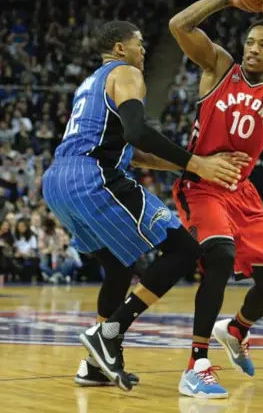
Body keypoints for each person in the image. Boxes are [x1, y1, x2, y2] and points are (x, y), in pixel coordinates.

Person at [42, 20, 247, 394]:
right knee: (185, 250)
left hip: (58, 181)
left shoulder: (90, 84)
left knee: (119, 268)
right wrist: (196, 163)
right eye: (139, 44)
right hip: (93, 177)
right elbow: (137, 132)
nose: (143, 51)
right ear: (120, 48)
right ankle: (110, 332)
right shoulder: (126, 73)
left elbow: (130, 150)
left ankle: (93, 366)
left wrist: (184, 164)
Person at [169, 0, 263, 397]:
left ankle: (237, 329)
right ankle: (196, 363)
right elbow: (179, 26)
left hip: (241, 192)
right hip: (202, 185)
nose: (256, 48)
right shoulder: (219, 68)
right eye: (251, 41)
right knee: (220, 256)